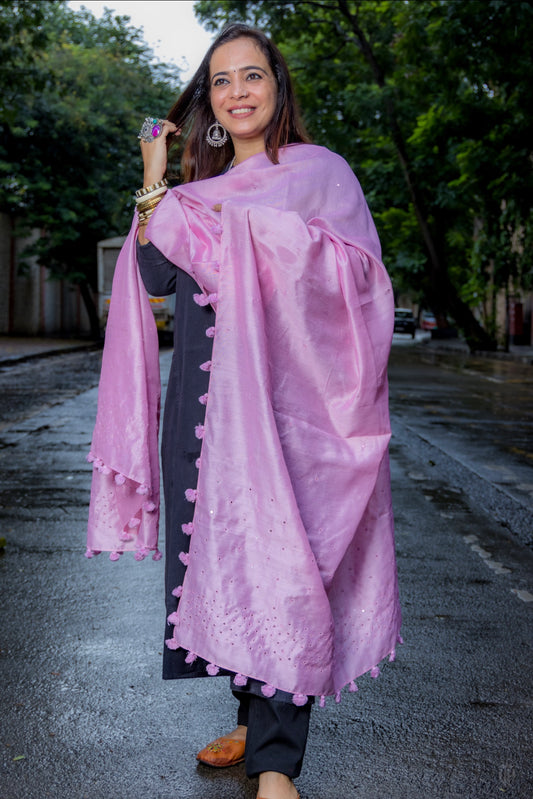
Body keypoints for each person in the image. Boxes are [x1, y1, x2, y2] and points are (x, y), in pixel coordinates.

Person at [87, 22, 401, 799]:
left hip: (283, 408)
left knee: (284, 568)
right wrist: (155, 174)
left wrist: (264, 235)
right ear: (209, 102)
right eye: (221, 82)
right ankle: (249, 715)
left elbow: (361, 277)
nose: (237, 93)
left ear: (277, 87)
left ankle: (275, 763)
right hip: (202, 403)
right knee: (223, 561)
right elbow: (157, 270)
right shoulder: (196, 194)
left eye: (251, 76)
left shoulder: (318, 173)